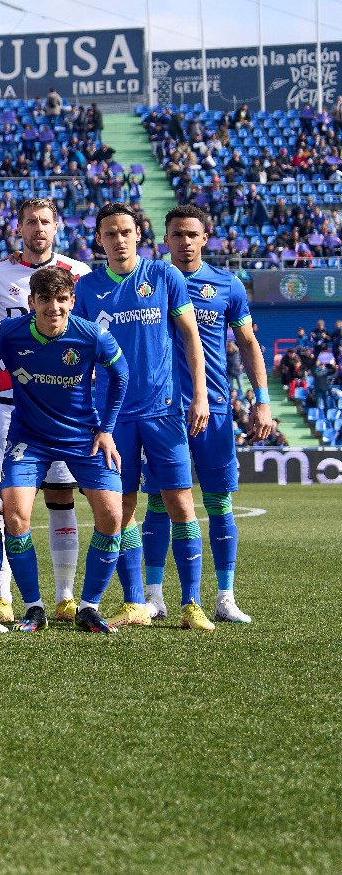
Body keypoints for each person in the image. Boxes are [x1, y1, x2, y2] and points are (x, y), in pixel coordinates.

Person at [74, 203, 211, 630]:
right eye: (110, 233)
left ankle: (192, 604)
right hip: (112, 420)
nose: (118, 240)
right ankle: (136, 604)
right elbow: (80, 358)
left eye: (125, 232)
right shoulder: (86, 288)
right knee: (122, 507)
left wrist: (200, 396)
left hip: (164, 411)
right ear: (100, 239)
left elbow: (191, 336)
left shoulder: (164, 276)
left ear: (139, 235)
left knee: (180, 503)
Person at [0, 266, 128, 635]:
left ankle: (89, 606)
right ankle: (34, 607)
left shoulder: (92, 335)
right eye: (45, 300)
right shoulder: (9, 334)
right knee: (14, 517)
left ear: (72, 302)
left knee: (112, 517)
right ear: (31, 302)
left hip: (84, 438)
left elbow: (121, 374)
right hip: (30, 438)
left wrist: (106, 429)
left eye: (62, 300)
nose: (54, 308)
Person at [0, 198, 92, 623]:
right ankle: (2, 595)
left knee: (60, 494)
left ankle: (65, 596)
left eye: (45, 221)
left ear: (57, 226)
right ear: (17, 227)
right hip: (6, 404)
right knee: (5, 502)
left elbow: (90, 336)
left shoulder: (80, 273)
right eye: (30, 222)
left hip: (63, 405)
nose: (38, 228)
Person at [157, 205, 273, 624]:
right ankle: (155, 597)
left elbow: (248, 343)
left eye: (192, 234)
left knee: (218, 499)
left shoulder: (226, 284)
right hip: (161, 408)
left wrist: (262, 400)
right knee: (158, 499)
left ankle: (225, 597)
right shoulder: (149, 281)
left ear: (205, 238)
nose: (185, 242)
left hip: (216, 407)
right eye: (177, 234)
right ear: (165, 240)